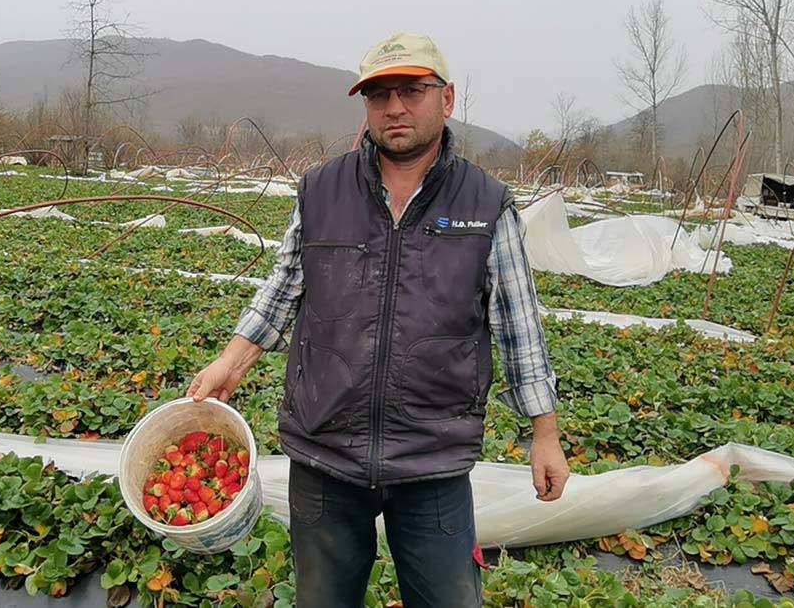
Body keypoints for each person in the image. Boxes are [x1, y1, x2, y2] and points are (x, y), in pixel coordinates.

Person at [188, 33, 568, 608]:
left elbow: (519, 325)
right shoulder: (321, 191)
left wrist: (545, 433)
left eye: (412, 91)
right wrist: (231, 360)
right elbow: (285, 287)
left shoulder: (486, 204)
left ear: (447, 99)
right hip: (325, 452)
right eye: (379, 95)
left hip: (433, 457)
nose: (394, 107)